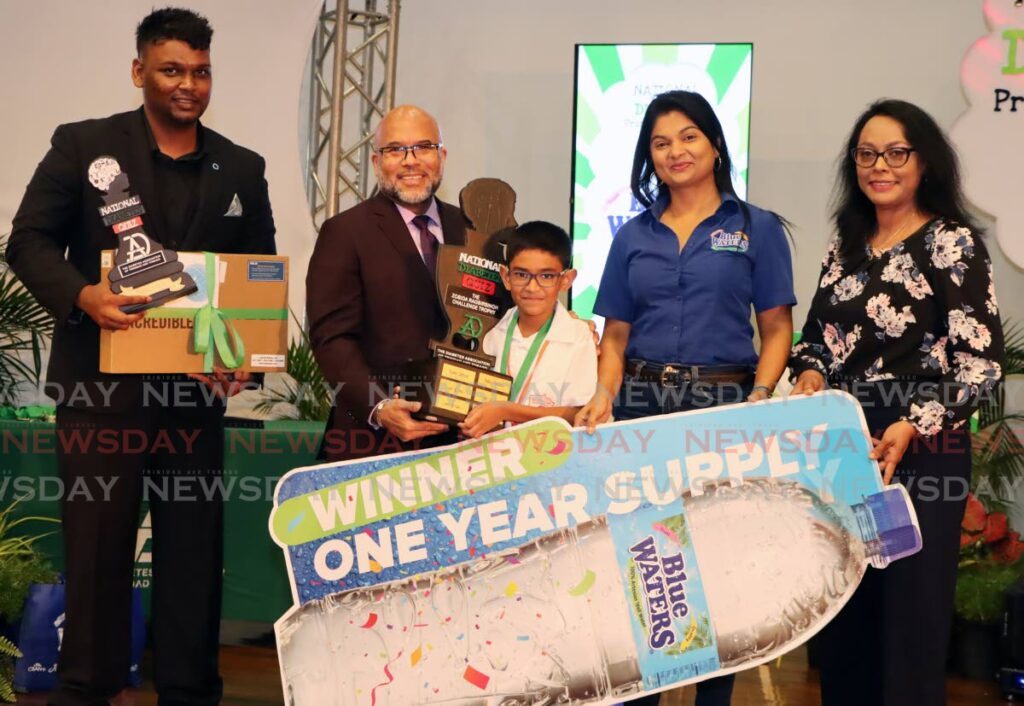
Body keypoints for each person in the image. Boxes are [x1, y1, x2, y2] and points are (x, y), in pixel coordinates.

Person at [5, 8, 276, 706]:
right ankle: (87, 685)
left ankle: (191, 689)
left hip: (194, 396)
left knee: (193, 548)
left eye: (201, 71)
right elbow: (28, 240)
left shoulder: (241, 167)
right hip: (101, 392)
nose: (189, 84)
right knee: (99, 547)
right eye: (173, 70)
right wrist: (82, 296)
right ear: (140, 72)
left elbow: (255, 279)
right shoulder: (83, 146)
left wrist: (244, 357)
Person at [575, 89, 795, 706]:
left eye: (689, 135)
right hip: (641, 408)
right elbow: (614, 334)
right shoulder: (631, 237)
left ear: (716, 143)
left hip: (721, 411)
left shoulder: (756, 228)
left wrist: (758, 398)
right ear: (650, 155)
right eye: (660, 142)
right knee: (642, 565)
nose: (676, 151)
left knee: (718, 569)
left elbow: (776, 328)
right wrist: (602, 393)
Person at [789, 99, 1004, 706]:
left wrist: (914, 424)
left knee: (911, 616)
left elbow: (981, 366)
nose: (878, 165)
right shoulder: (847, 244)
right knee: (843, 609)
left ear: (925, 161)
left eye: (895, 152)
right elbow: (816, 345)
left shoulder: (952, 243)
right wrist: (809, 378)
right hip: (845, 444)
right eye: (865, 153)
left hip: (921, 446)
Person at [306, 104, 473, 462]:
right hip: (372, 442)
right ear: (376, 161)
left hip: (462, 443)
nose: (411, 160)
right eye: (396, 149)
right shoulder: (345, 233)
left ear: (442, 156)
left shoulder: (472, 230)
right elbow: (331, 338)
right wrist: (379, 406)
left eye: (424, 147)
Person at [459, 221, 596, 438]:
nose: (532, 287)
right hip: (494, 459)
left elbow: (580, 414)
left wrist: (505, 410)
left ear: (566, 280)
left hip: (554, 459)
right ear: (506, 277)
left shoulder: (579, 337)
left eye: (547, 276)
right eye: (521, 275)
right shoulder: (492, 334)